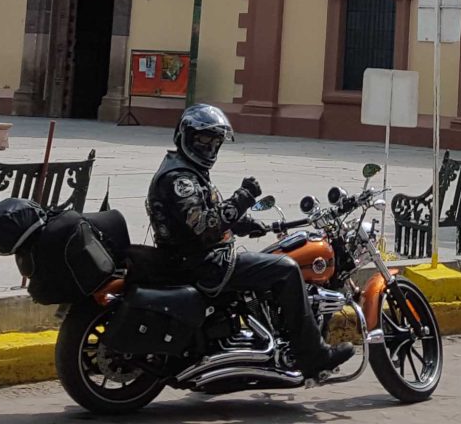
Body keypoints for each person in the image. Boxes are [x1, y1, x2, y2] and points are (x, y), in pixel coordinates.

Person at [147, 104, 355, 376]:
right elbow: (203, 227)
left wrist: (243, 223)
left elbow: (206, 215)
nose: (209, 148)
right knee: (287, 270)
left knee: (272, 261)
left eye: (215, 142)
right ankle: (313, 355)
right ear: (184, 135)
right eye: (203, 139)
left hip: (195, 258)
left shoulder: (183, 169)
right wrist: (243, 197)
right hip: (204, 263)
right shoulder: (179, 179)